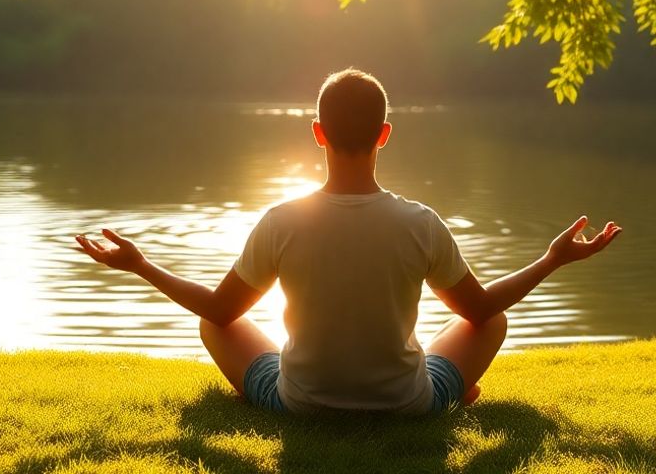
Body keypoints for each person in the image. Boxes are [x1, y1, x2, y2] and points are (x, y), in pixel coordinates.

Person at [75, 68, 622, 414]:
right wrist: (552, 258)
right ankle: (447, 391)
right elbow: (480, 310)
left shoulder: (282, 220)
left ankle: (277, 392)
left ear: (317, 132)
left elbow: (220, 310)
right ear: (385, 134)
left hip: (301, 403)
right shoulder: (420, 222)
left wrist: (143, 265)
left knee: (217, 320)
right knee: (490, 320)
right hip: (405, 404)